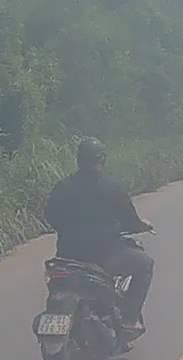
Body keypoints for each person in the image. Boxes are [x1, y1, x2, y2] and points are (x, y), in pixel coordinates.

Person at [45, 138, 155, 333]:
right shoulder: (112, 187)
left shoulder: (63, 186)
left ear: (79, 160)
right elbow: (130, 221)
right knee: (145, 264)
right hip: (104, 257)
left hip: (67, 258)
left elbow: (50, 217)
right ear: (102, 160)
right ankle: (129, 320)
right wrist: (142, 225)